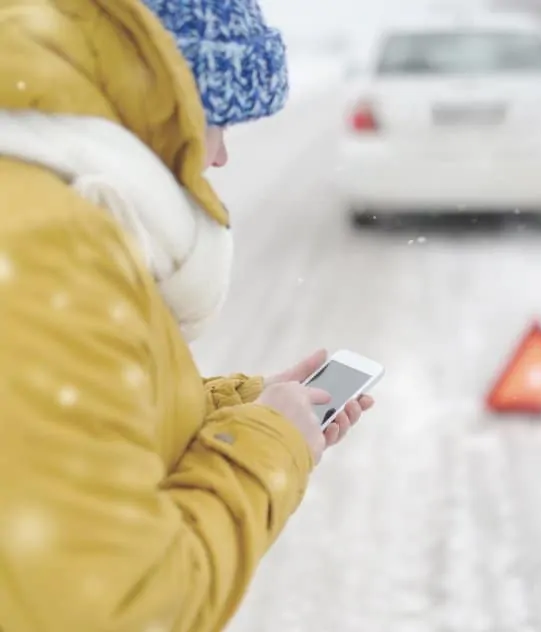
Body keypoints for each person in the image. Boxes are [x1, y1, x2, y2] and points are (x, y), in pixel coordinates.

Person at [0, 0, 372, 630]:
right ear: (167, 101)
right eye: (221, 120)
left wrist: (241, 408)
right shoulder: (48, 246)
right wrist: (269, 444)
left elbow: (55, 432)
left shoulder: (42, 210)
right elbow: (122, 609)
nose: (222, 157)